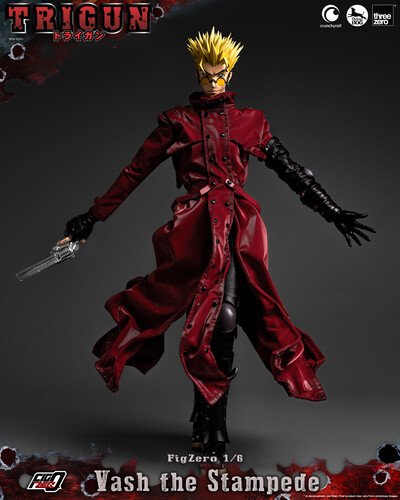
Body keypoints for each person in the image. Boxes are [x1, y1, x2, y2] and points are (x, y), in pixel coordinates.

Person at [64, 28, 374, 465]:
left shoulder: (251, 120)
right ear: (197, 72)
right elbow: (134, 172)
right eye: (207, 75)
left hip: (241, 230)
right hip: (194, 232)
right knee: (208, 320)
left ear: (230, 72)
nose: (213, 82)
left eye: (220, 74)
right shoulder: (176, 121)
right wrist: (92, 217)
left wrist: (332, 210)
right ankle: (207, 417)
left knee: (225, 318)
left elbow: (290, 169)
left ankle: (211, 423)